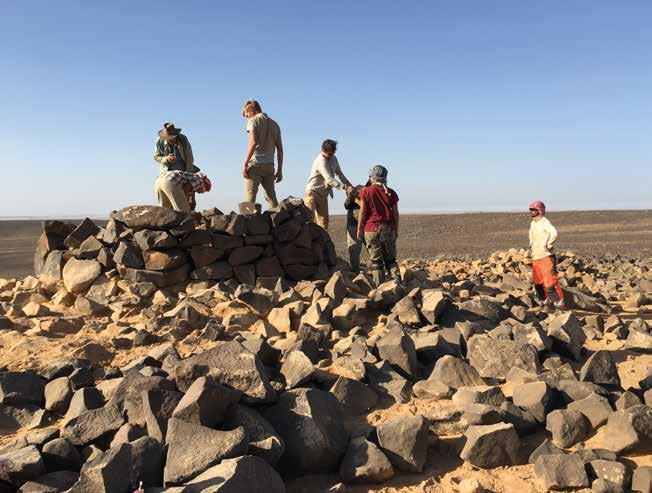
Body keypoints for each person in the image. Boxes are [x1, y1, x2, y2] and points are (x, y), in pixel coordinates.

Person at [357, 165, 401, 286]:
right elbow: (396, 214)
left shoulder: (366, 191)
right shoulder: (391, 193)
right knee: (391, 260)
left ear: (373, 177)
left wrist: (359, 229)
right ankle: (398, 282)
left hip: (371, 229)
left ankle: (379, 289)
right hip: (388, 229)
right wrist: (396, 230)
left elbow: (362, 212)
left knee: (377, 263)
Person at [242, 99, 283, 209]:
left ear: (252, 111)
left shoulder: (253, 121)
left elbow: (253, 142)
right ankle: (277, 222)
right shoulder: (275, 124)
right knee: (271, 198)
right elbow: (280, 150)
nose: (247, 118)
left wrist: (245, 163)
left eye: (247, 115)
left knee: (249, 198)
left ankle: (246, 223)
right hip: (270, 166)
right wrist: (280, 170)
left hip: (255, 165)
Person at [305, 139, 353, 230]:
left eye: (333, 153)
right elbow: (329, 179)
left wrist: (349, 184)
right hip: (312, 193)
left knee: (324, 223)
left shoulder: (334, 159)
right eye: (330, 154)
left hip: (323, 195)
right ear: (323, 150)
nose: (331, 156)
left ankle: (322, 243)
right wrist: (344, 187)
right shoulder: (320, 161)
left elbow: (339, 173)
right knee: (309, 221)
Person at [153, 123, 198, 211]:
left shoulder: (183, 139)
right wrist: (166, 158)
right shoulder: (160, 140)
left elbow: (189, 158)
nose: (171, 140)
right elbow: (156, 157)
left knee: (185, 200)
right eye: (168, 138)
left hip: (182, 174)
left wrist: (188, 176)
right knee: (165, 206)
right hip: (166, 175)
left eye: (172, 137)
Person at [529, 200, 565, 310]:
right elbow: (531, 235)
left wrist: (548, 244)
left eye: (533, 210)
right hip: (536, 257)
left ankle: (559, 304)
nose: (530, 212)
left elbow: (554, 233)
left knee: (550, 283)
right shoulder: (533, 223)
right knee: (538, 283)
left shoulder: (544, 222)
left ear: (539, 211)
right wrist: (531, 244)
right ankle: (546, 303)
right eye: (530, 210)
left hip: (546, 256)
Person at [344, 185, 365, 273]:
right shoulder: (352, 198)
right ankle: (355, 272)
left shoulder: (367, 193)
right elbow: (347, 205)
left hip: (366, 226)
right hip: (353, 225)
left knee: (373, 249)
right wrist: (351, 195)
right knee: (354, 251)